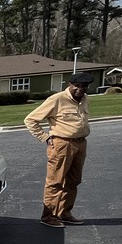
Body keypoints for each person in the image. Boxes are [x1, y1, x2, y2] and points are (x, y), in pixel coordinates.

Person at [23, 72, 94, 228]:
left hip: (80, 143)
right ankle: (48, 216)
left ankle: (64, 213)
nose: (80, 89)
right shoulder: (57, 99)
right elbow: (30, 120)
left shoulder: (85, 99)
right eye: (76, 86)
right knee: (55, 181)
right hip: (62, 144)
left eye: (84, 86)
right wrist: (45, 137)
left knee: (74, 181)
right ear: (69, 85)